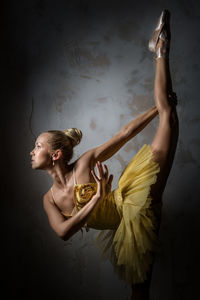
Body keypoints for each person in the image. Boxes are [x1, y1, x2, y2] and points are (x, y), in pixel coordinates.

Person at [30, 10, 179, 300]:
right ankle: (161, 57)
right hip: (126, 224)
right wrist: (96, 197)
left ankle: (160, 49)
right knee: (140, 291)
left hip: (132, 199)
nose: (32, 151)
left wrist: (155, 110)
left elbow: (123, 134)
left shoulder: (84, 162)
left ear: (57, 154)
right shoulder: (48, 200)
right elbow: (63, 232)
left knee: (169, 116)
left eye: (38, 146)